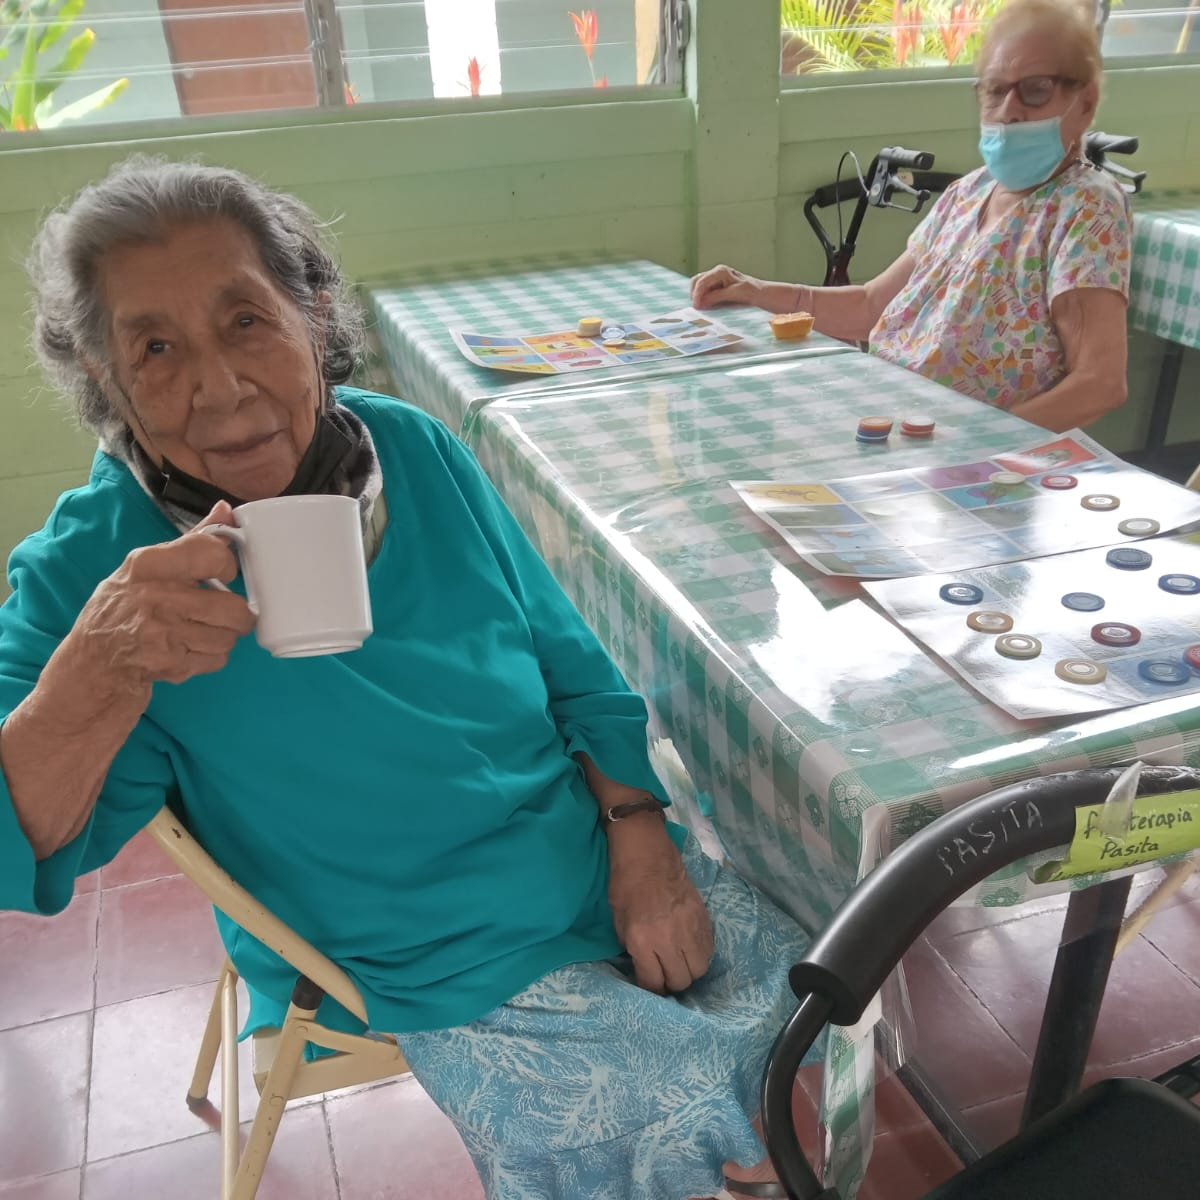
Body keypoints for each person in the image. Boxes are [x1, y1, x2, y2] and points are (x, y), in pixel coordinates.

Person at [0, 158, 816, 1200]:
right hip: (414, 943)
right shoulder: (95, 568)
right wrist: (97, 669)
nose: (217, 389)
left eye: (246, 320)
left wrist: (640, 834)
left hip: (580, 850)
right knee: (696, 1132)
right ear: (105, 383)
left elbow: (568, 657)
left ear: (313, 314)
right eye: (153, 348)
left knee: (820, 1003)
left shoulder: (413, 451)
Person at [692, 0, 1131, 433]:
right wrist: (753, 290)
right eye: (995, 90)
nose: (1009, 110)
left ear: (1086, 103)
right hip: (893, 420)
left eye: (1035, 89)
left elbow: (1100, 384)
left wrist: (980, 449)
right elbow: (870, 306)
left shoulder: (1086, 207)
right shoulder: (969, 191)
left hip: (975, 465)